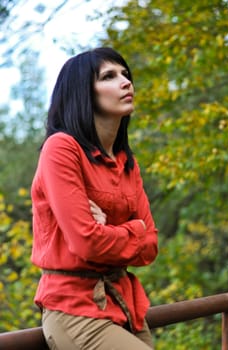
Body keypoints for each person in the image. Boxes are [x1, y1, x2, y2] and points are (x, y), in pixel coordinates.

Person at [31, 47, 158, 350]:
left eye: (125, 75)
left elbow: (150, 247)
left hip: (125, 307)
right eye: (109, 77)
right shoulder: (61, 149)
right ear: (83, 93)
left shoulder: (126, 160)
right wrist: (132, 230)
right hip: (75, 309)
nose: (126, 82)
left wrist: (109, 231)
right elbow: (86, 242)